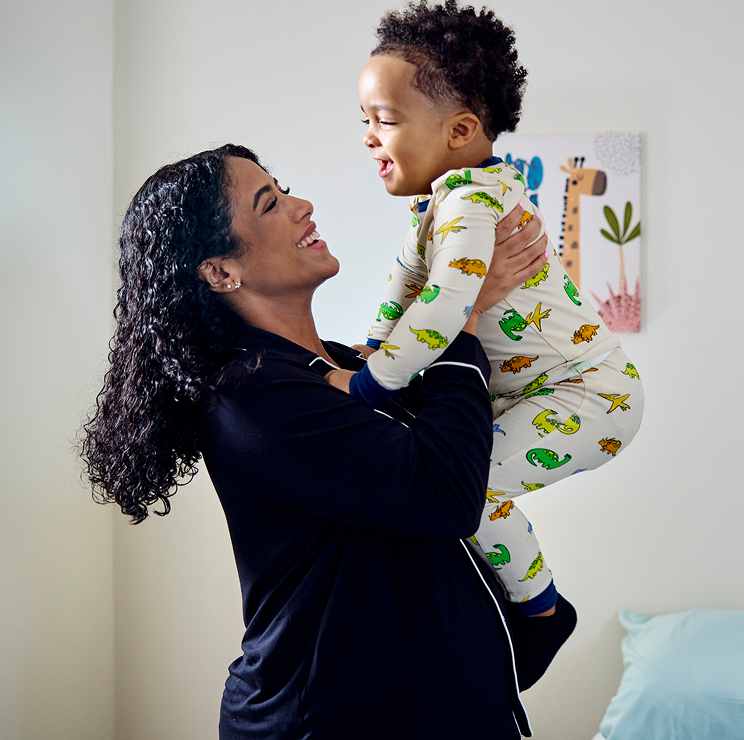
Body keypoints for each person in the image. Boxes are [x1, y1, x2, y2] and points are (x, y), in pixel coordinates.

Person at [81, 143, 564, 739]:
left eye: (284, 189)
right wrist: (458, 316)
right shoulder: (253, 397)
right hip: (328, 720)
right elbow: (446, 494)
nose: (302, 206)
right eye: (270, 204)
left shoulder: (340, 368)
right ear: (220, 271)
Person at [329, 0, 645, 618]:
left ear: (461, 130)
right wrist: (373, 344)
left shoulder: (471, 202)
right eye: (363, 119)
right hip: (536, 391)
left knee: (464, 488)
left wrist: (371, 384)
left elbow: (445, 304)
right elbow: (405, 283)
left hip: (583, 391)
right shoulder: (449, 201)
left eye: (384, 119)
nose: (368, 137)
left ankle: (539, 608)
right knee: (451, 479)